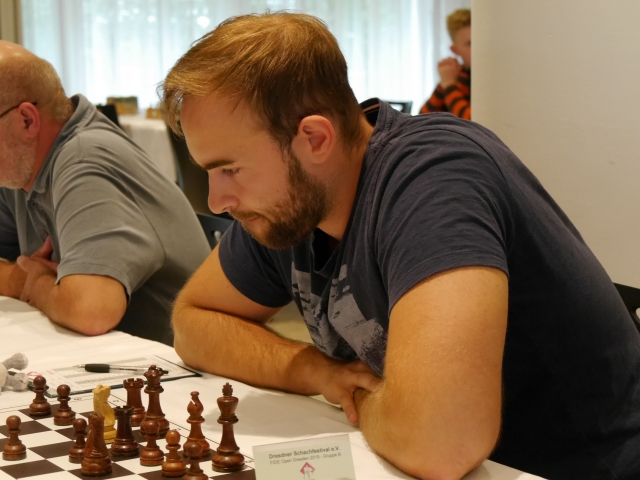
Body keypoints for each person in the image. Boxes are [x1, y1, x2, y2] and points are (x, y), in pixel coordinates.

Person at [162, 12, 640, 480]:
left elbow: (441, 443)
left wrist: (365, 397)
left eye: (230, 170)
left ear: (315, 139)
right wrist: (319, 372)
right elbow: (194, 322)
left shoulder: (434, 177)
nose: (217, 202)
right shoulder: (293, 200)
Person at [0, 41, 210, 346]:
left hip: (174, 365)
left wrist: (40, 282)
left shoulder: (83, 160)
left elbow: (91, 311)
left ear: (27, 120)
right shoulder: (21, 167)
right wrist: (23, 278)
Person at [419, 8, 471, 119]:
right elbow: (422, 118)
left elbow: (473, 123)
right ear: (455, 50)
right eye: (469, 44)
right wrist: (445, 83)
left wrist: (449, 85)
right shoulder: (457, 75)